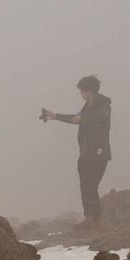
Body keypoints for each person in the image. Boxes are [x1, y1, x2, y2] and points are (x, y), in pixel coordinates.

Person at [42, 76, 112, 227]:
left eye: (81, 91)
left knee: (91, 186)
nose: (80, 94)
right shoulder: (88, 105)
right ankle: (89, 218)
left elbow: (98, 117)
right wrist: (54, 116)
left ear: (88, 91)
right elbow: (76, 118)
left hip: (99, 154)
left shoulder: (103, 105)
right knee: (85, 185)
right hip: (86, 153)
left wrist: (83, 118)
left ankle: (95, 220)